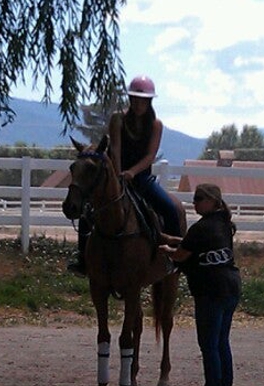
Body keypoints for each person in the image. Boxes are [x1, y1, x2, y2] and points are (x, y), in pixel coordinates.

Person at [67, 75, 181, 275]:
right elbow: (116, 148)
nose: (138, 104)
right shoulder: (118, 119)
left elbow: (150, 155)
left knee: (171, 209)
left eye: (143, 100)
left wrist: (132, 173)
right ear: (130, 99)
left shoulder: (156, 125)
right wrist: (119, 175)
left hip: (142, 177)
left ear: (149, 101)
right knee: (88, 214)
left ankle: (175, 258)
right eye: (135, 99)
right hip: (116, 175)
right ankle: (83, 259)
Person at [159, 183, 242, 386]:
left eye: (199, 199)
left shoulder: (201, 228)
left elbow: (181, 255)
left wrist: (166, 248)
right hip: (230, 287)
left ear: (212, 201)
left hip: (210, 291)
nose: (194, 203)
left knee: (208, 345)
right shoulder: (223, 224)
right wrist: (175, 239)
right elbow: (194, 244)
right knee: (221, 342)